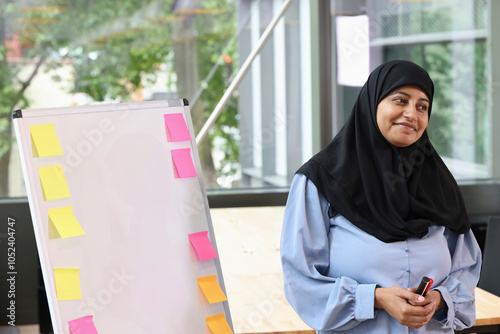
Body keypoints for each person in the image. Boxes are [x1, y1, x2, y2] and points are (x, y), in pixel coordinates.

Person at [280, 60, 482, 333]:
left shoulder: (439, 184)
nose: (412, 113)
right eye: (400, 100)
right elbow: (300, 281)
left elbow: (465, 272)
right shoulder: (320, 182)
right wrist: (374, 298)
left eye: (422, 106)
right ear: (372, 102)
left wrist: (440, 299)